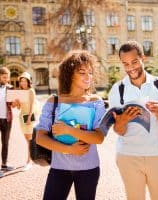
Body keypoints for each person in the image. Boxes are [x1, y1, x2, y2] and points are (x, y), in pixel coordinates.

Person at [108, 41, 158, 200]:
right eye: (126, 64)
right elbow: (118, 131)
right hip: (128, 155)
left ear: (143, 58)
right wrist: (123, 120)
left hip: (156, 154)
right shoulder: (117, 90)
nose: (130, 67)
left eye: (134, 62)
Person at [36, 50, 106, 200]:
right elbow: (40, 138)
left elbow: (99, 138)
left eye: (90, 72)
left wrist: (68, 130)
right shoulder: (53, 102)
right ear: (70, 74)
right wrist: (70, 149)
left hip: (89, 168)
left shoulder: (96, 102)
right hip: (59, 168)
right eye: (82, 72)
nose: (88, 76)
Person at [14, 72, 37, 171]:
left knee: (30, 140)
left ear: (28, 82)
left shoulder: (31, 91)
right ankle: (32, 157)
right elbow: (19, 108)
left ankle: (29, 161)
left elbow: (32, 105)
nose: (23, 83)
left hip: (30, 117)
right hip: (22, 117)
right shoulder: (20, 92)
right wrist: (17, 103)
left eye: (25, 81)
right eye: (21, 81)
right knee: (27, 140)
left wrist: (29, 118)